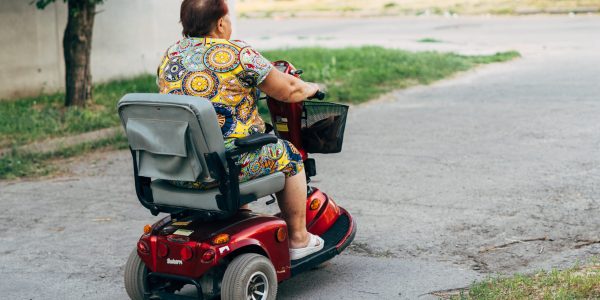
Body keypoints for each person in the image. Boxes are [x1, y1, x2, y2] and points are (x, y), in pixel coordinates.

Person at [156, 0, 323, 260]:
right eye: (229, 18)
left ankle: (239, 217)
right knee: (287, 154)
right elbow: (289, 90)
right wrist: (312, 87)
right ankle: (299, 240)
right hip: (222, 168)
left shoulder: (170, 55)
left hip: (176, 167)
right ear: (220, 23)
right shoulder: (237, 54)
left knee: (233, 145)